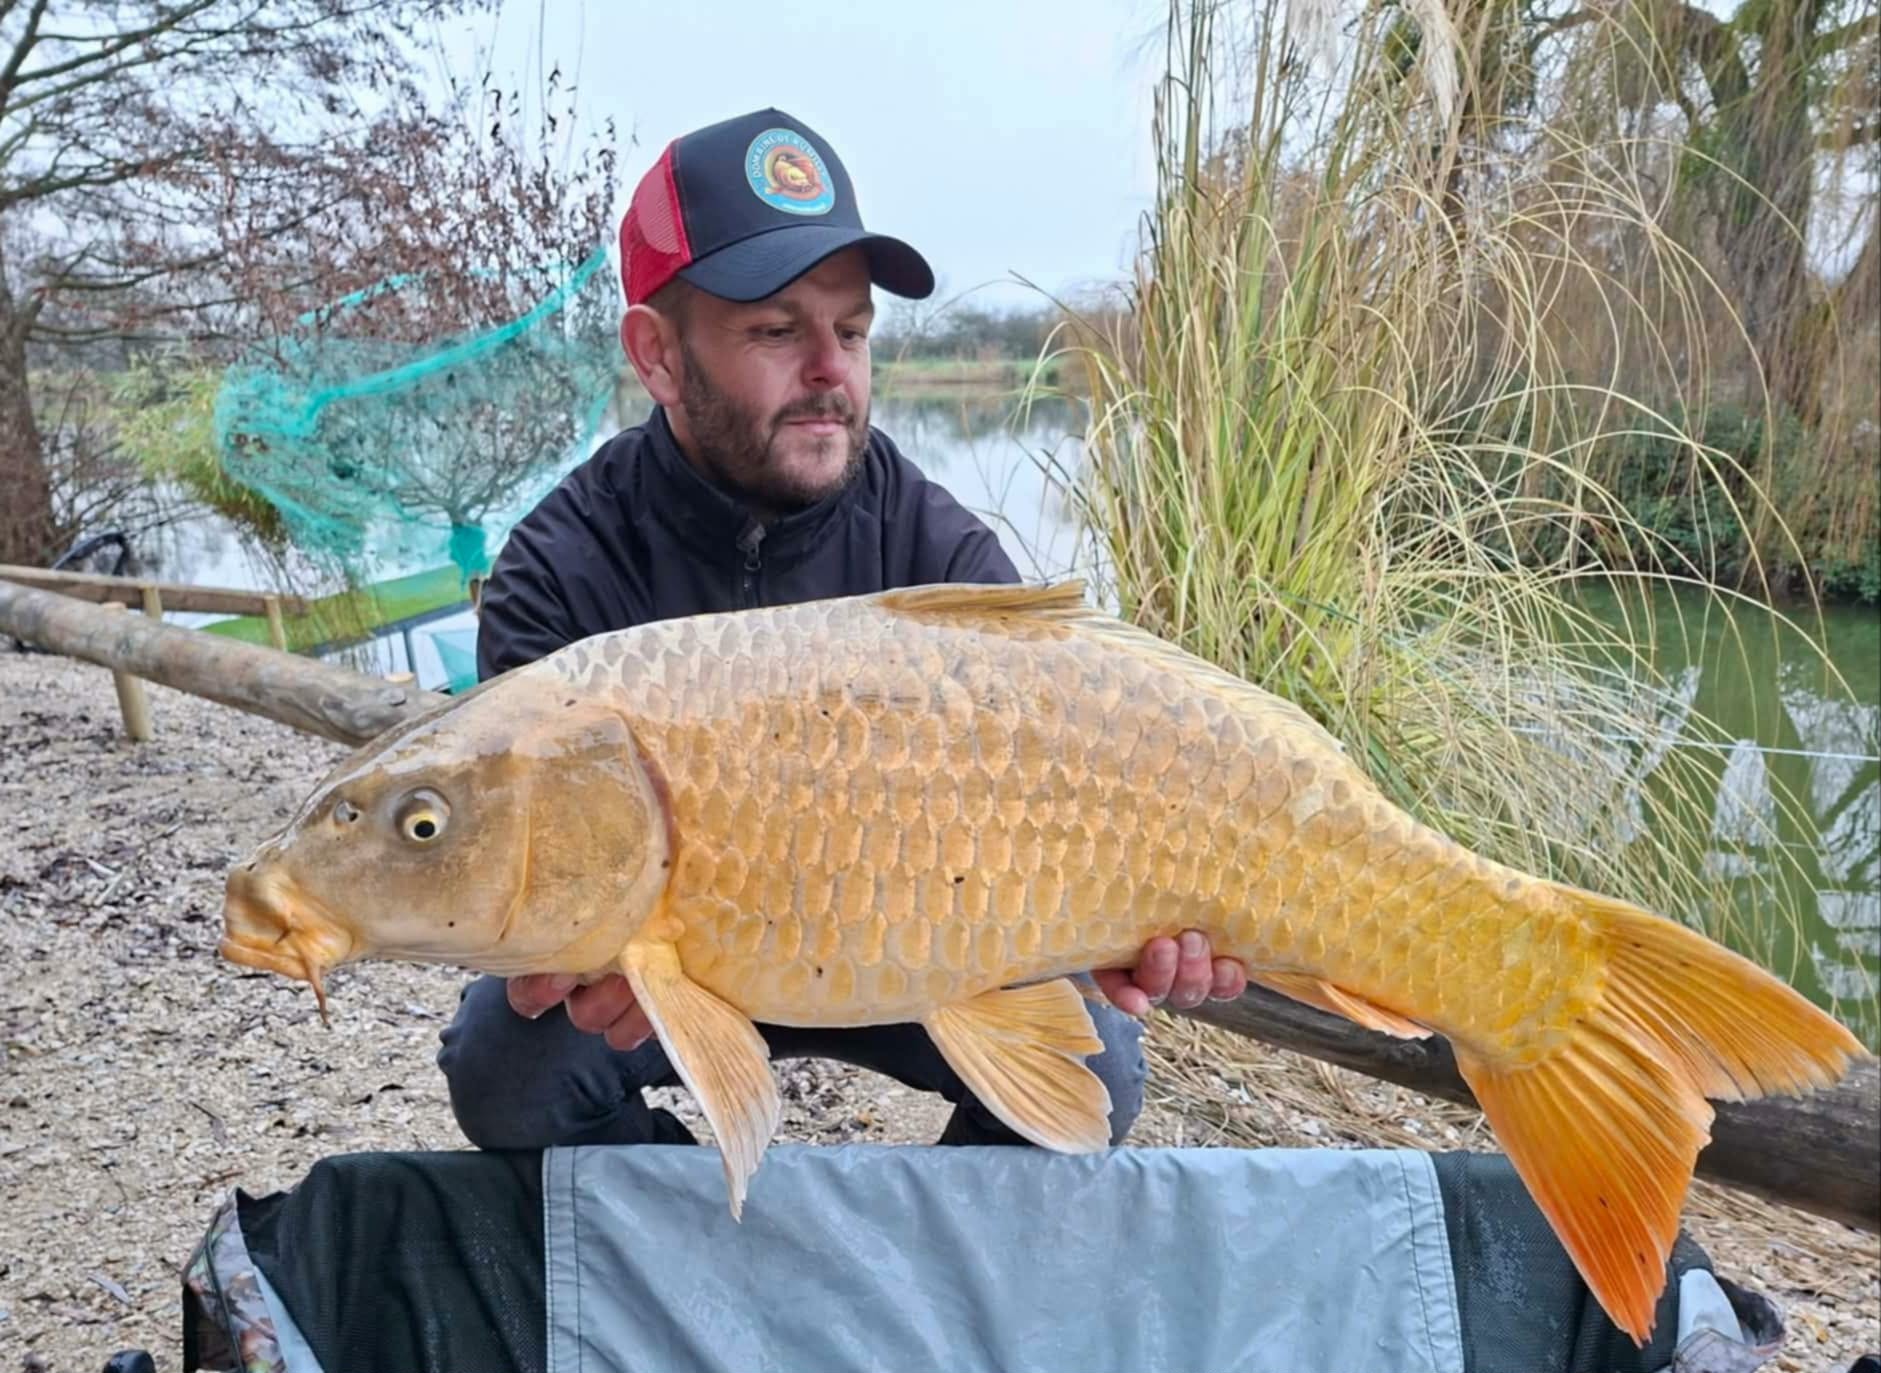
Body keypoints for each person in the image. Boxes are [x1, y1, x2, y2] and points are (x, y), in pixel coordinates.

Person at [438, 108, 1248, 1151]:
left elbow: (1056, 828)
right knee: (506, 1068)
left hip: (906, 946)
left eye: (853, 331)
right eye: (776, 331)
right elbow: (526, 884)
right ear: (659, 354)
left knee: (1104, 1063)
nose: (830, 369)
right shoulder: (557, 574)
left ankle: (920, 1287)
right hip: (667, 961)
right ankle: (679, 1263)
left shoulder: (943, 554)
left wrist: (1122, 924)